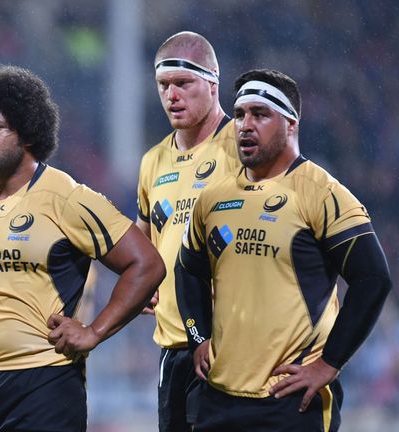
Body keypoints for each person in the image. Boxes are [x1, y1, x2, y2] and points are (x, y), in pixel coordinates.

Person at [0, 65, 166, 432]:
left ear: (27, 134)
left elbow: (146, 264)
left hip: (47, 382)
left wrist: (94, 332)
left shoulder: (67, 197)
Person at [175, 69, 392, 431]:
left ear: (290, 124)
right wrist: (198, 335)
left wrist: (329, 364)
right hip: (218, 400)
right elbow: (187, 269)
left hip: (290, 404)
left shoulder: (322, 193)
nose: (244, 124)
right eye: (240, 113)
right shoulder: (213, 197)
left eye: (260, 114)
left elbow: (373, 279)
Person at [136, 31, 240, 431]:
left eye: (184, 84)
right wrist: (142, 279)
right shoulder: (153, 162)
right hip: (172, 346)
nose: (172, 96)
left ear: (212, 82)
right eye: (164, 86)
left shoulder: (240, 146)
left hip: (227, 343)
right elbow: (145, 234)